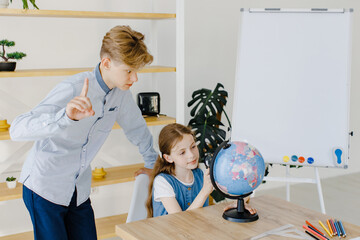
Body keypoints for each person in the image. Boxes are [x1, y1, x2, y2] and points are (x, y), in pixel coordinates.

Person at [10, 25, 157, 240]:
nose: (134, 78)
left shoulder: (121, 94)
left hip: (78, 190)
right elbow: (17, 128)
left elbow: (137, 128)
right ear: (106, 63)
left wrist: (152, 164)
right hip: (45, 188)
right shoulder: (73, 87)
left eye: (136, 71)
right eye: (128, 70)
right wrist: (65, 117)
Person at [145, 123, 257, 217]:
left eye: (193, 147)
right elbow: (179, 221)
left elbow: (239, 190)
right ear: (168, 158)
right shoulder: (162, 182)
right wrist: (204, 192)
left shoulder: (203, 172)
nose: (191, 155)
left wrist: (239, 202)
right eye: (182, 152)